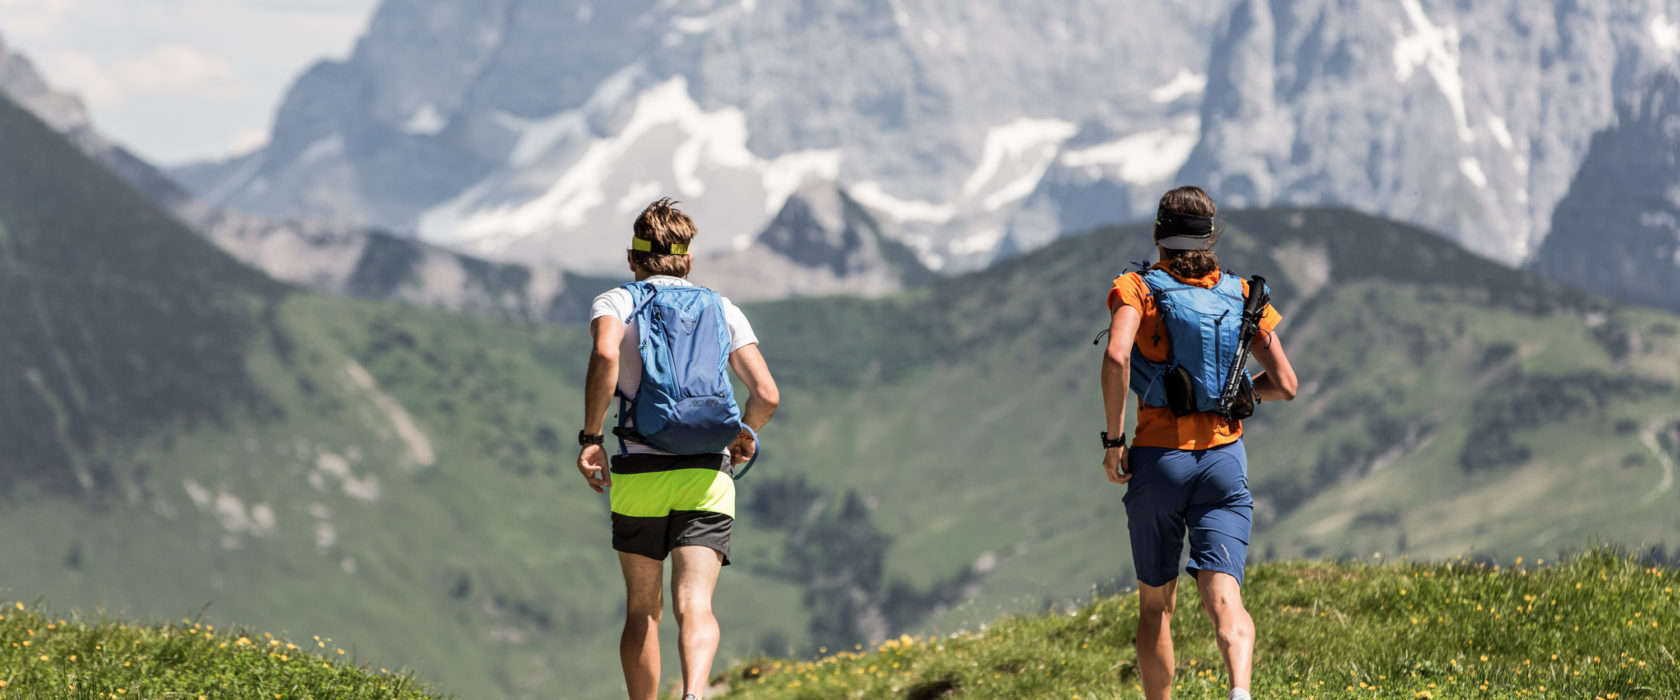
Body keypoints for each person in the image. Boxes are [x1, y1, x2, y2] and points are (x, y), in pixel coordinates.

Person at [1099, 186, 1299, 700]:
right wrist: (1232, 397)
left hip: (1160, 459)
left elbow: (1118, 357)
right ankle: (1239, 690)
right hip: (1224, 462)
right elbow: (1287, 384)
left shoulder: (1137, 288)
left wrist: (1114, 439)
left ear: (1156, 234)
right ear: (1211, 236)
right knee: (1224, 597)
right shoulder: (1243, 294)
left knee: (1155, 605)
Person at [577, 198, 780, 700]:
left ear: (633, 259)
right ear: (687, 259)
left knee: (643, 607)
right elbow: (767, 395)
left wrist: (591, 437)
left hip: (638, 472)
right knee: (697, 604)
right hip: (707, 475)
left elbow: (605, 352)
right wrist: (744, 434)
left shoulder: (616, 302)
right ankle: (694, 694)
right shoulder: (722, 307)